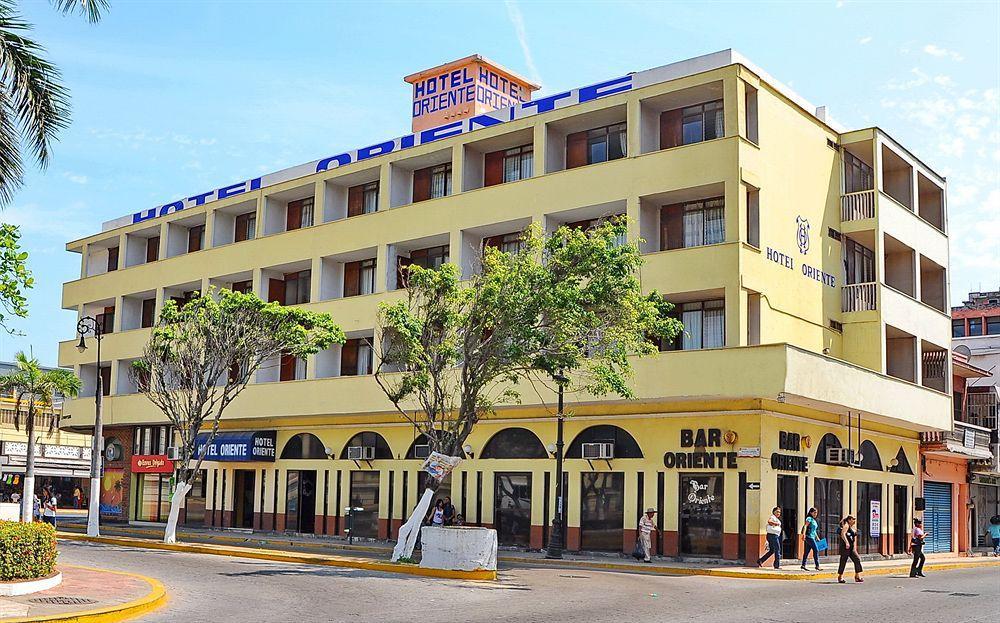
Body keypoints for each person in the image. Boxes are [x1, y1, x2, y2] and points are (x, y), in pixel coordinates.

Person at [837, 515, 863, 583]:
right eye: (853, 519)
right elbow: (843, 534)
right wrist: (847, 542)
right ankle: (840, 576)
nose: (854, 521)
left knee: (857, 559)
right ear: (849, 520)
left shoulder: (851, 526)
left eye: (855, 519)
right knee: (843, 561)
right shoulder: (846, 525)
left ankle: (857, 576)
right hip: (845, 547)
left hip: (851, 548)